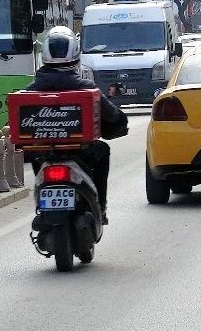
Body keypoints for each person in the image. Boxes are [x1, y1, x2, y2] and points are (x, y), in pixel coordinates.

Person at [25, 26, 129, 224]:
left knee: (35, 154)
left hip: (44, 152)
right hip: (82, 151)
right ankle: (100, 207)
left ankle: (42, 208)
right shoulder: (86, 88)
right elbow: (113, 117)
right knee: (102, 150)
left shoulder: (29, 92)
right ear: (75, 54)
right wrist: (119, 123)